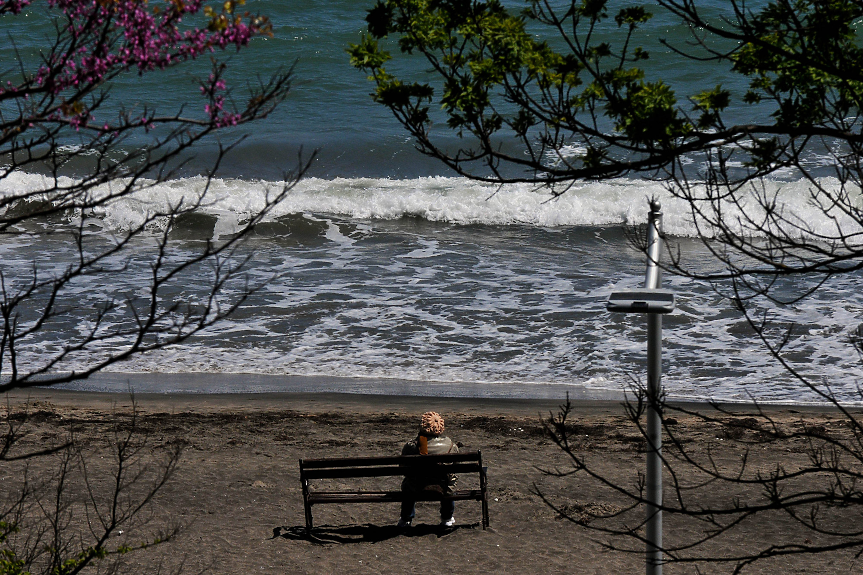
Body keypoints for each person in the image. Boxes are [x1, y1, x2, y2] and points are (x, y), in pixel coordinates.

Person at [397, 411, 458, 528]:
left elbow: (402, 468)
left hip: (416, 486)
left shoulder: (413, 446)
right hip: (442, 486)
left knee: (408, 482)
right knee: (449, 482)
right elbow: (455, 466)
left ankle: (406, 518)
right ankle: (447, 518)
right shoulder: (450, 445)